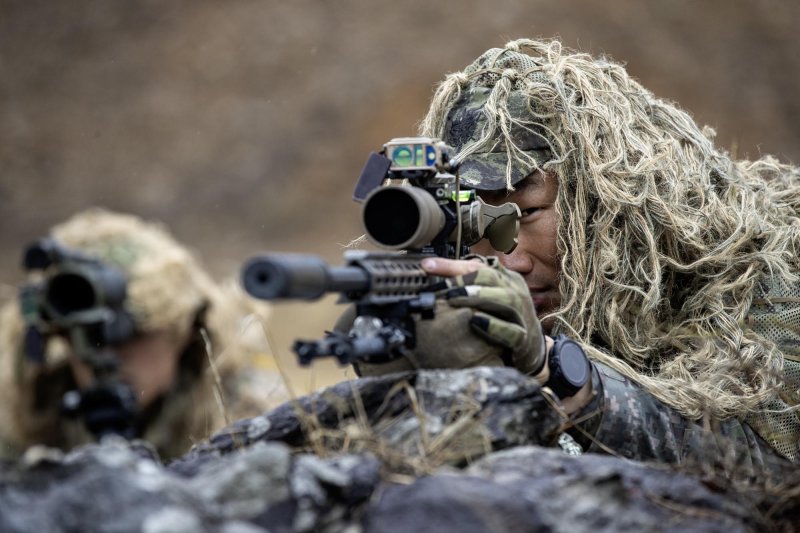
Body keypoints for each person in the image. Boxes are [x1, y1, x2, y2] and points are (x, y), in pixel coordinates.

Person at [356, 38, 800, 467]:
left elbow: (769, 476)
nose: (507, 261)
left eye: (526, 212)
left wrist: (567, 382)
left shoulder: (764, 281)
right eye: (472, 221)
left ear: (610, 205)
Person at [0, 208, 288, 460]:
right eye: (83, 334)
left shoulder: (248, 417)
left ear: (183, 332)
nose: (108, 353)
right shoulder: (31, 419)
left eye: (133, 333)